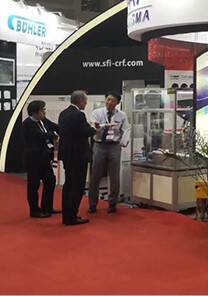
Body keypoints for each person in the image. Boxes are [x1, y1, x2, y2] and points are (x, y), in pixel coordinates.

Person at [58, 91, 98, 226]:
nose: (86, 103)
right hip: (78, 155)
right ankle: (72, 216)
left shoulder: (64, 113)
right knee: (77, 186)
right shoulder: (78, 115)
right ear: (80, 100)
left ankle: (66, 214)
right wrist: (94, 128)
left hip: (67, 154)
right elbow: (86, 131)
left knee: (68, 184)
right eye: (85, 101)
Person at [88, 91, 130, 214]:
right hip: (99, 145)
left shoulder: (122, 115)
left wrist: (124, 141)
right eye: (108, 99)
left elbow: (126, 129)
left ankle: (112, 203)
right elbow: (93, 127)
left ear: (117, 103)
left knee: (114, 175)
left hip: (114, 146)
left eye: (113, 100)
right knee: (95, 175)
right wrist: (103, 126)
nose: (110, 102)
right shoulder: (97, 113)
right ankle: (92, 203)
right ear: (105, 100)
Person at [22, 100, 60, 218]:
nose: (44, 112)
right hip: (33, 159)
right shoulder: (28, 124)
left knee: (50, 181)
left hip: (44, 158)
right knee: (34, 185)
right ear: (35, 112)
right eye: (42, 110)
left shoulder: (43, 120)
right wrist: (53, 134)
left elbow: (55, 127)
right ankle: (34, 210)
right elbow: (40, 136)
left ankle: (47, 207)